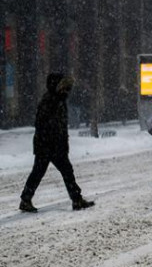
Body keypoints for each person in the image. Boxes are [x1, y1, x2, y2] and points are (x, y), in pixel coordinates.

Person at [19, 73, 95, 213]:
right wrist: (52, 140)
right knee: (43, 172)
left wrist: (61, 142)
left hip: (54, 145)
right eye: (64, 88)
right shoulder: (49, 101)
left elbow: (59, 125)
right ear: (56, 86)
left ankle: (75, 199)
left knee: (59, 171)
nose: (67, 91)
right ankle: (75, 199)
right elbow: (42, 124)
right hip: (48, 145)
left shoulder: (59, 100)